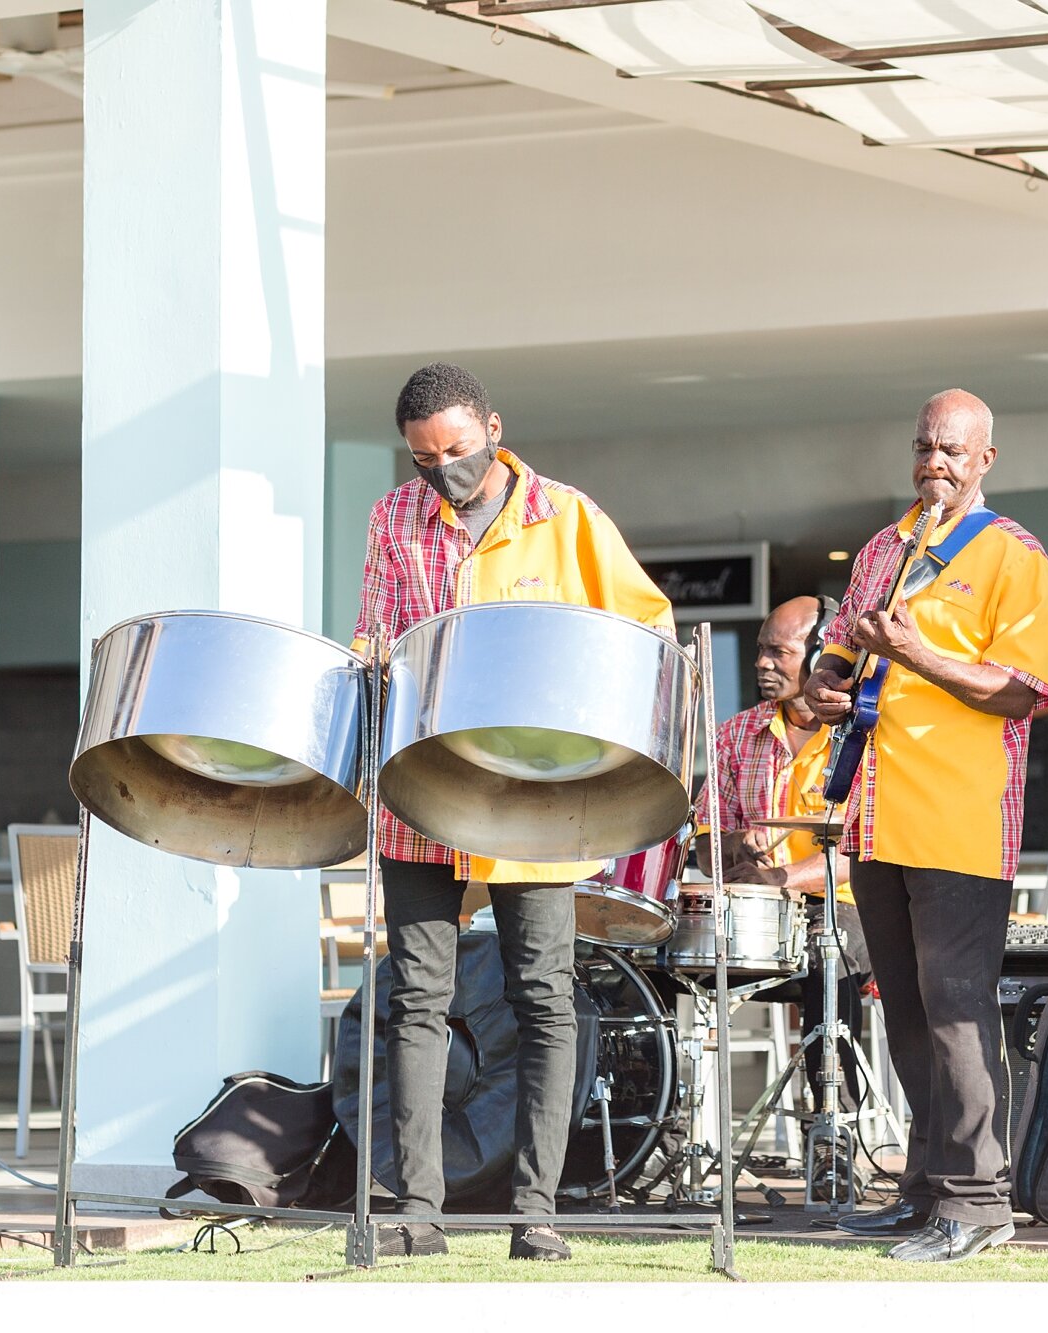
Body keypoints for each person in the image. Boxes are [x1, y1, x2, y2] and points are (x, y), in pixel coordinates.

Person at [354, 362, 673, 1261]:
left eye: (458, 452)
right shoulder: (391, 519)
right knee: (418, 998)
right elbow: (375, 636)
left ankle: (536, 1210)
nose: (443, 473)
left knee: (543, 999)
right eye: (425, 460)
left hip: (534, 798)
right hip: (420, 792)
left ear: (493, 427)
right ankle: (417, 1208)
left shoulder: (567, 517)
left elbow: (643, 626)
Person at [805, 389, 1048, 1264]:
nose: (935, 464)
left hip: (959, 815)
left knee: (956, 1008)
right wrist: (824, 683)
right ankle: (926, 1190)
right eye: (924, 447)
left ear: (987, 458)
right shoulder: (884, 545)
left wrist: (919, 655)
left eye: (952, 450)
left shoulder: (1012, 555)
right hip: (874, 817)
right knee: (906, 1012)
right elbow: (838, 650)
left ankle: (981, 1200)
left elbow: (1022, 689)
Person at [692, 596, 872, 1123]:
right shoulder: (732, 736)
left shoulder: (866, 734)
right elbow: (706, 850)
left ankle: (834, 1128)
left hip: (845, 912)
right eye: (759, 652)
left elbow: (864, 850)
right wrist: (731, 847)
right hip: (754, 919)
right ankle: (668, 1125)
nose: (762, 664)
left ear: (821, 655)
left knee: (826, 956)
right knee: (653, 962)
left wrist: (783, 877)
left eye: (779, 652)